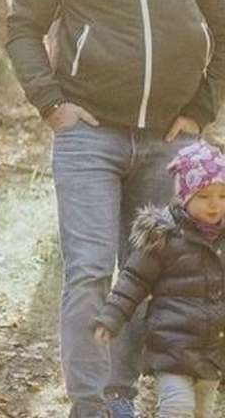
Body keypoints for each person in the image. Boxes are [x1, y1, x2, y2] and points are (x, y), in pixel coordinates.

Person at [5, 0, 225, 418]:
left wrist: (201, 109)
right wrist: (51, 103)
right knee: (91, 271)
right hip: (88, 135)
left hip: (167, 142)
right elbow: (23, 26)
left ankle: (122, 400)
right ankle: (91, 405)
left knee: (146, 273)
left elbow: (222, 30)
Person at [93, 140, 225, 418]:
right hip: (172, 344)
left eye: (222, 196)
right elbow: (134, 280)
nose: (214, 205)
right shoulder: (164, 236)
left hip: (213, 348)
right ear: (184, 196)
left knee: (202, 411)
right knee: (177, 408)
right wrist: (112, 316)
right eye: (203, 197)